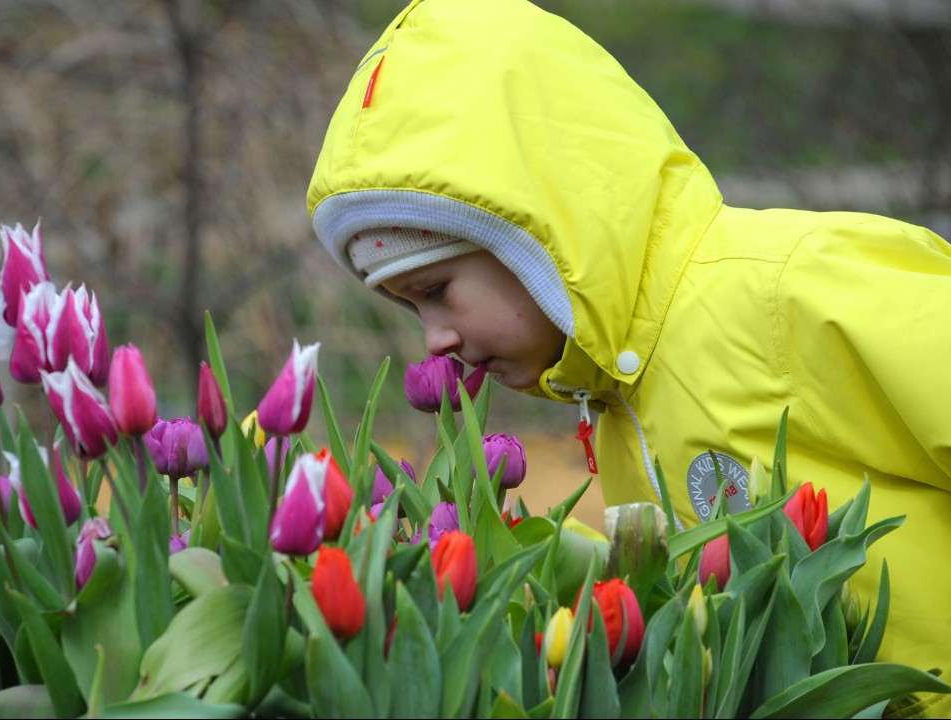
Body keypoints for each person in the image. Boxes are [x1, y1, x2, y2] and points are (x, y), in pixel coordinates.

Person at [306, 0, 951, 715]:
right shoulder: (617, 401)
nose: (434, 340)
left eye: (437, 290)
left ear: (537, 233)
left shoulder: (785, 289)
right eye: (407, 307)